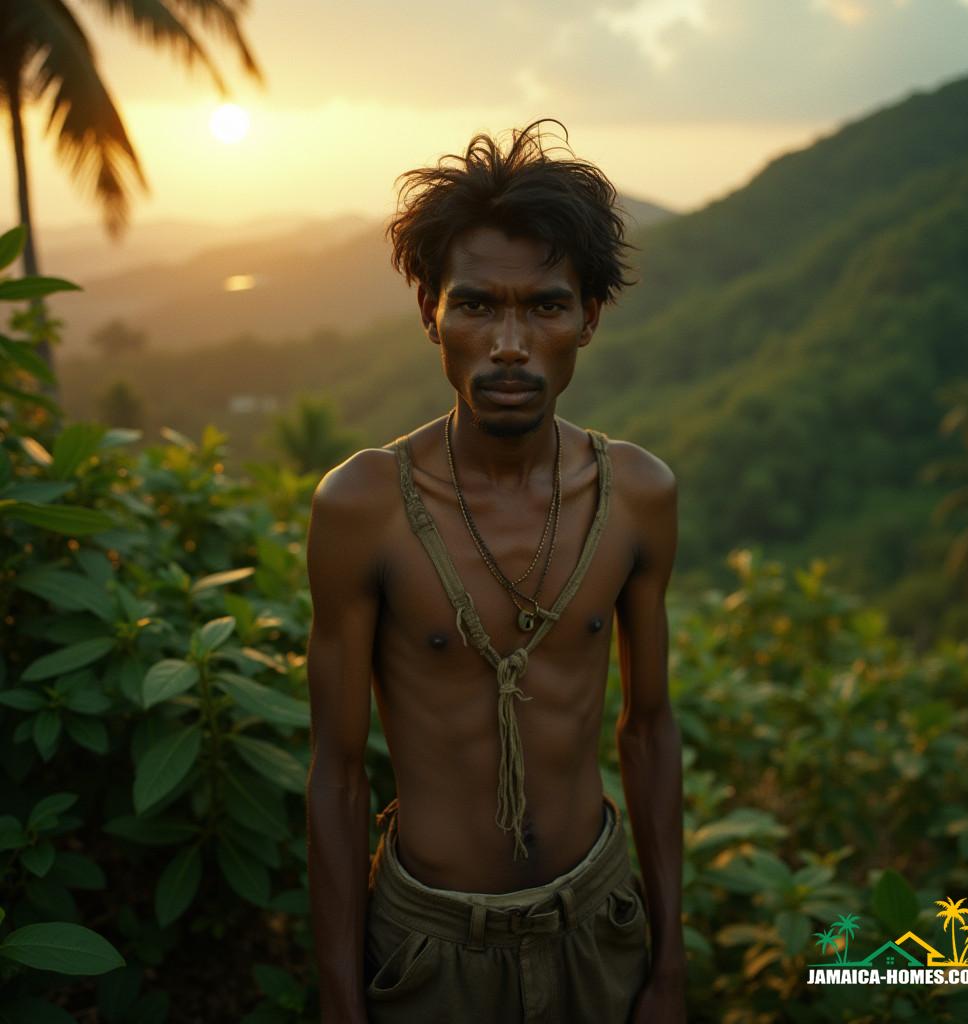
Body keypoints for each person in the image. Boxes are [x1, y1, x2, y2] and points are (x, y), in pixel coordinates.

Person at [305, 120, 685, 1024]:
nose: (509, 343)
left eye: (545, 306)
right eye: (476, 305)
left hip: (599, 922)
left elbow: (649, 731)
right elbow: (337, 770)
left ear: (588, 317)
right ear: (431, 310)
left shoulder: (637, 494)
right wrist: (340, 1000)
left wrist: (668, 968)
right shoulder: (364, 507)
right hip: (430, 944)